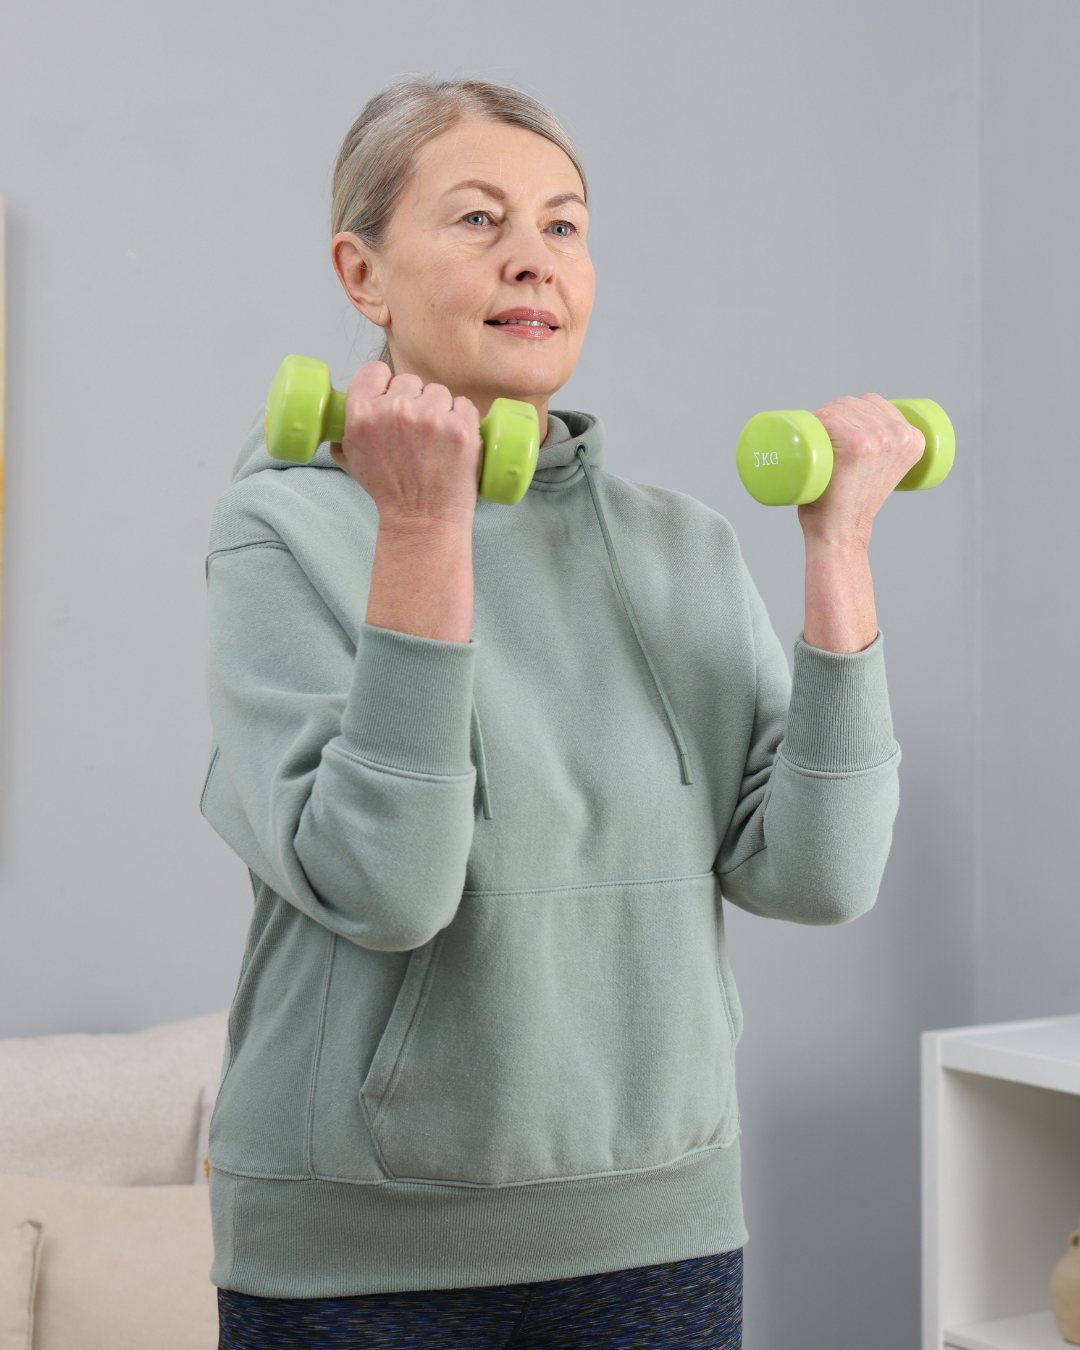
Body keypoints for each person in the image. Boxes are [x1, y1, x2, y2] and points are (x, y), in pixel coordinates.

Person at [202, 77, 920, 1350]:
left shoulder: (681, 547)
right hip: (357, 1256)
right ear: (362, 275)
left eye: (565, 225)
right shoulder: (285, 532)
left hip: (657, 1230)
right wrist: (426, 524)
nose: (533, 257)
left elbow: (821, 874)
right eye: (479, 219)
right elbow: (388, 883)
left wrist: (839, 548)